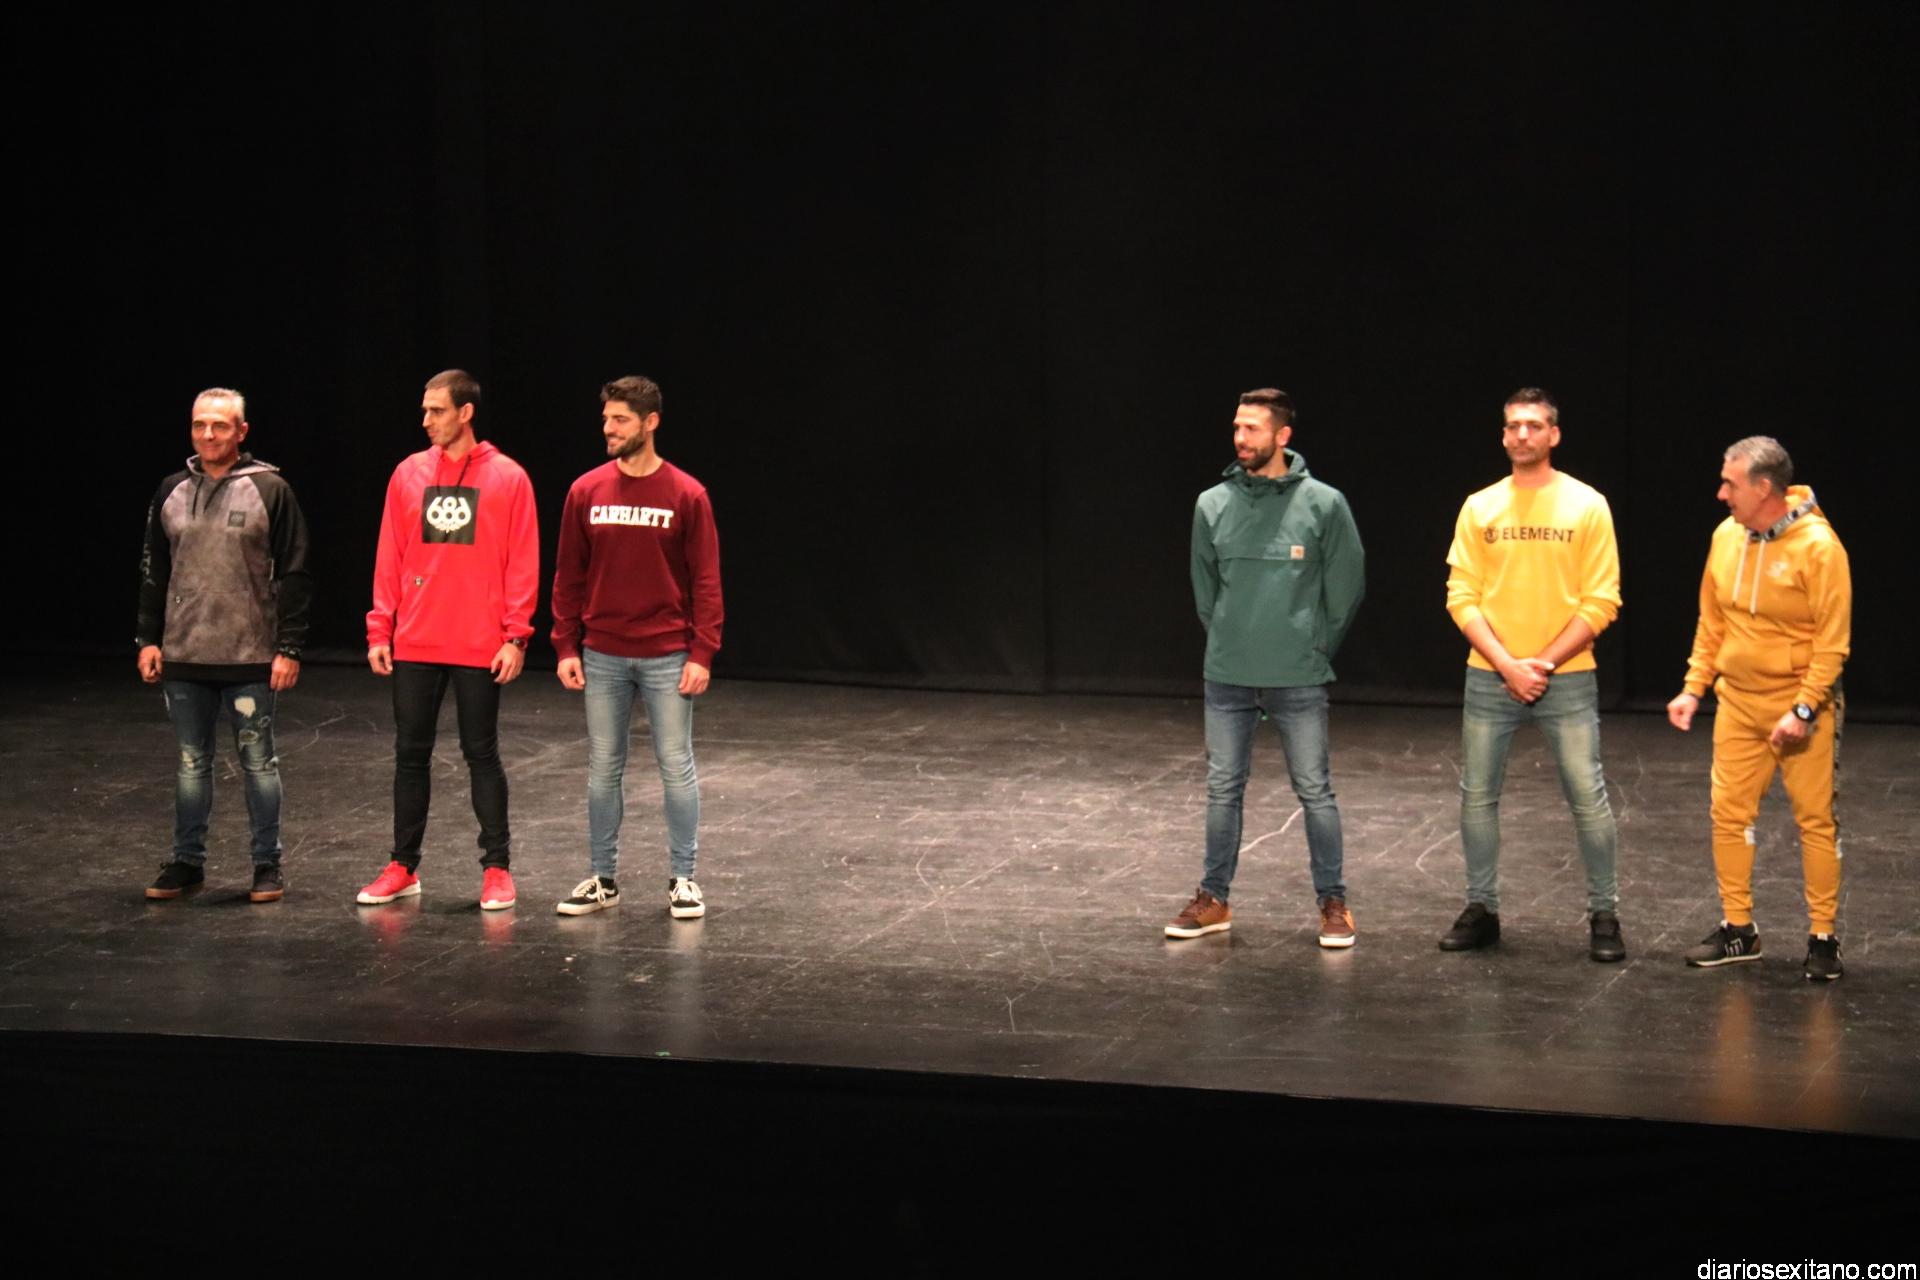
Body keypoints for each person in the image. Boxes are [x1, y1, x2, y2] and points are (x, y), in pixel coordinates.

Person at [1166, 388, 1365, 946]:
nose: (1240, 438)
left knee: (1315, 791)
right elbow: (1205, 589)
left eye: (1252, 428)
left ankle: (1334, 903)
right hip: (1228, 674)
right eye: (1236, 427)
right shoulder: (1211, 504)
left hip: (1298, 675)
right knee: (1222, 790)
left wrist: (1313, 647)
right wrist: (1229, 640)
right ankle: (1214, 899)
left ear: (1282, 436)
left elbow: (1346, 586)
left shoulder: (1324, 503)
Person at [1440, 387, 1625, 961]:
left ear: (1554, 435)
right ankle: (1482, 908)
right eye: (1514, 425)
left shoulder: (1587, 504)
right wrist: (1506, 664)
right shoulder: (1480, 506)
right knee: (1477, 796)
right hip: (1490, 675)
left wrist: (1540, 664)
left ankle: (1604, 913)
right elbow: (1460, 594)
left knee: (1587, 795)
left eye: (1535, 425)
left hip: (1566, 677)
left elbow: (1602, 600)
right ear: (1503, 436)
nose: (1523, 434)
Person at [1666, 437, 1851, 980]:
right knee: (1728, 815)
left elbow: (1833, 644)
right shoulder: (1725, 537)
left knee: (1815, 821)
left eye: (1731, 484)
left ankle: (1823, 937)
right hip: (1739, 703)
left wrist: (1804, 709)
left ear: (1764, 488)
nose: (1721, 494)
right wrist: (1694, 687)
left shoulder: (1820, 548)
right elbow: (1712, 622)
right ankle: (1738, 929)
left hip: (1800, 708)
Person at [359, 369, 539, 910]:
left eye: (437, 411)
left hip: (479, 643)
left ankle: (497, 869)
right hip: (416, 639)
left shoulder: (508, 477)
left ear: (466, 413)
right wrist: (380, 626)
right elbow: (390, 553)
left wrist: (516, 637)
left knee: (481, 753)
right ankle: (402, 866)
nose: (426, 420)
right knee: (410, 755)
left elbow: (523, 561)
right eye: (424, 410)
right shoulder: (407, 473)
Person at [550, 376, 723, 918]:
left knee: (676, 765)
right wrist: (565, 645)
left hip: (667, 654)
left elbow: (706, 581)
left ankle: (684, 878)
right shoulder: (586, 491)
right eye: (606, 419)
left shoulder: (686, 494)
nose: (608, 428)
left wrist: (702, 652)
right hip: (602, 653)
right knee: (603, 767)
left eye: (620, 419)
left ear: (650, 423)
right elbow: (568, 575)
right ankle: (602, 877)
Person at [137, 387, 312, 902]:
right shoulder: (171, 489)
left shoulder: (270, 489)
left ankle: (267, 864)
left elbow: (296, 571)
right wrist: (148, 639)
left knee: (258, 763)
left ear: (241, 431)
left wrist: (290, 647)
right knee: (192, 763)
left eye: (219, 425)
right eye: (199, 425)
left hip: (249, 655)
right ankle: (187, 862)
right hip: (184, 653)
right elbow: (153, 569)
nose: (208, 434)